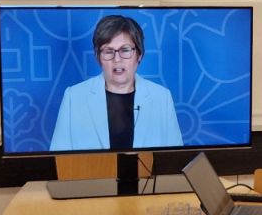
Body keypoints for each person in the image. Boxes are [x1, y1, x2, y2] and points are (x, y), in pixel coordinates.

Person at [49, 14, 183, 151]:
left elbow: (175, 159)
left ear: (139, 54)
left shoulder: (161, 97)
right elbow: (57, 158)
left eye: (125, 50)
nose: (117, 59)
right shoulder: (74, 97)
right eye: (108, 51)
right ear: (98, 57)